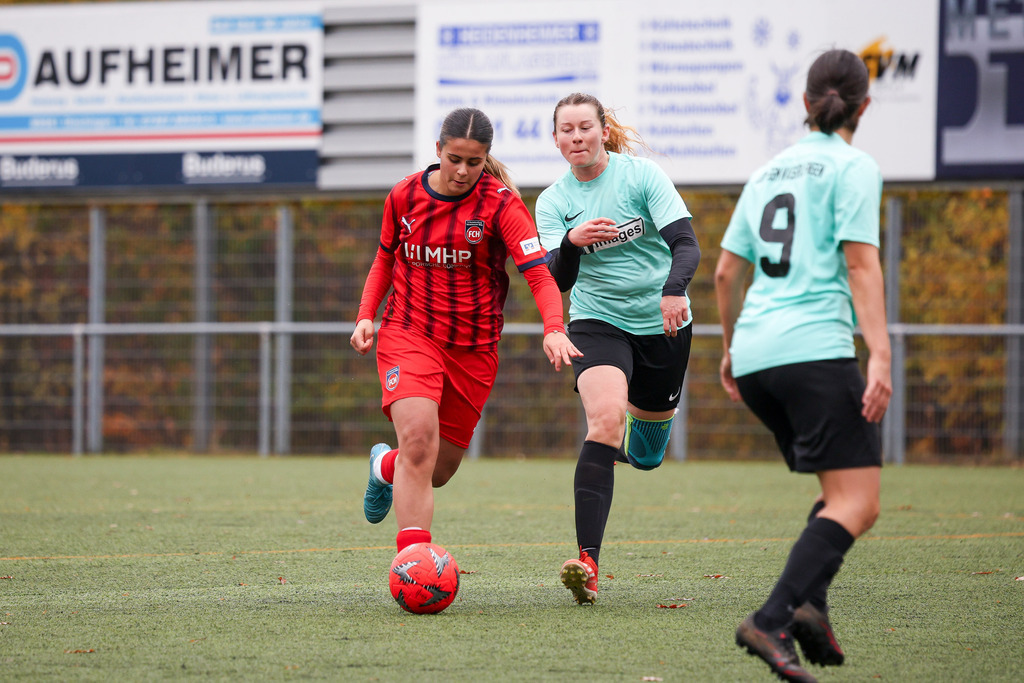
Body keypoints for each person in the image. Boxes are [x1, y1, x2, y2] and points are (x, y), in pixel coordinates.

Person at [714, 49, 891, 682]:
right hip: (813, 349)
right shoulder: (854, 166)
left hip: (757, 355)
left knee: (837, 494)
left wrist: (730, 350)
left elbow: (725, 273)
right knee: (859, 504)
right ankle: (772, 618)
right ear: (864, 106)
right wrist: (881, 353)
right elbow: (860, 265)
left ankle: (812, 606)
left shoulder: (767, 171)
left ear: (805, 103)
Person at [350, 107, 581, 555]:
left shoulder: (501, 205)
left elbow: (538, 274)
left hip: (473, 349)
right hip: (408, 332)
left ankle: (383, 467)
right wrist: (365, 314)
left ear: (485, 158)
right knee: (419, 442)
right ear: (438, 150)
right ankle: (414, 561)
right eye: (454, 159)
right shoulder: (403, 195)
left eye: (474, 162)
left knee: (437, 470)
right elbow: (384, 258)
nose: (462, 171)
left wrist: (554, 327)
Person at [535, 93, 701, 605]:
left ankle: (633, 439)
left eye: (585, 127)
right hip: (597, 321)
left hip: (663, 323)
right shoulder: (552, 202)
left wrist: (673, 291)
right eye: (566, 130)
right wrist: (571, 242)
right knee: (605, 422)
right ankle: (587, 564)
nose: (577, 137)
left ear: (603, 131)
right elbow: (556, 280)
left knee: (648, 457)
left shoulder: (641, 176)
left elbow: (686, 243)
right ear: (556, 139)